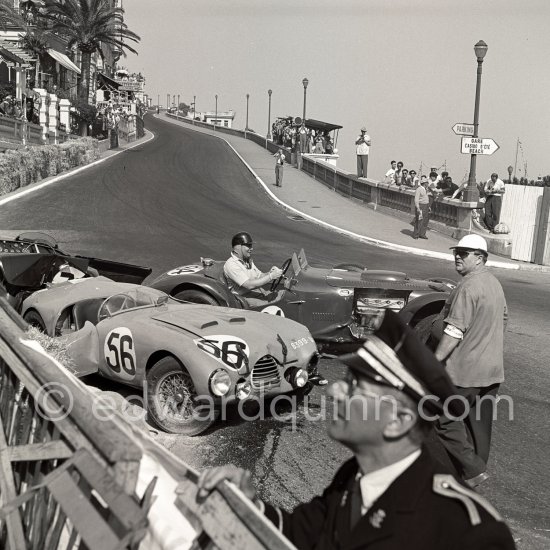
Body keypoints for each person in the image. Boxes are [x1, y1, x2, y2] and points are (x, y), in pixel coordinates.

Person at [198, 310, 516, 550]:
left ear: (398, 421)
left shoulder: (468, 531)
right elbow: (300, 534)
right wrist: (248, 505)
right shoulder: (354, 476)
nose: (335, 392)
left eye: (353, 388)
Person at [434, 234, 508, 487]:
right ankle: (474, 474)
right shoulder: (494, 284)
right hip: (492, 370)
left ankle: (472, 469)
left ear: (480, 258)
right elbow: (503, 321)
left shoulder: (468, 286)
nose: (457, 256)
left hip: (465, 371)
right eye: (457, 252)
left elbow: (454, 330)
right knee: (479, 425)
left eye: (464, 253)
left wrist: (435, 361)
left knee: (443, 418)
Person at [223, 232, 283, 307]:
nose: (251, 248)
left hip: (256, 292)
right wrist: (270, 276)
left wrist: (269, 273)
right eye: (248, 246)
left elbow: (259, 276)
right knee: (274, 305)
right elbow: (249, 285)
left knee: (283, 294)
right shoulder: (231, 264)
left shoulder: (247, 260)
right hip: (243, 297)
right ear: (238, 247)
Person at [413, 175, 430, 239]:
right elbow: (416, 199)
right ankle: (416, 234)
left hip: (426, 206)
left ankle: (422, 234)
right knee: (419, 220)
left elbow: (426, 198)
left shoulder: (426, 189)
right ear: (425, 183)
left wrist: (428, 206)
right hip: (421, 206)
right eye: (427, 183)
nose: (428, 184)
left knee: (425, 220)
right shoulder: (419, 189)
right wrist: (418, 208)